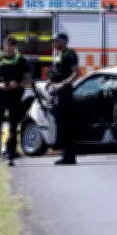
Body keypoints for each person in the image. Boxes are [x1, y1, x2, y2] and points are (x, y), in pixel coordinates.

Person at [0, 36, 31, 166]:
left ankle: (10, 155)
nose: (10, 48)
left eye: (12, 46)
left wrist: (17, 84)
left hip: (15, 97)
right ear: (4, 46)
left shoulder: (21, 60)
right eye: (8, 45)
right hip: (0, 96)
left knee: (13, 127)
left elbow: (27, 80)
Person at [46, 33, 80, 165]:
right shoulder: (58, 55)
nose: (53, 43)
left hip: (65, 94)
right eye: (53, 41)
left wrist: (62, 84)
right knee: (61, 126)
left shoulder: (69, 54)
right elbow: (56, 73)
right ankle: (65, 154)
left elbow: (76, 73)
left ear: (63, 41)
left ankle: (70, 157)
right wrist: (50, 80)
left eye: (56, 41)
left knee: (66, 126)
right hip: (57, 93)